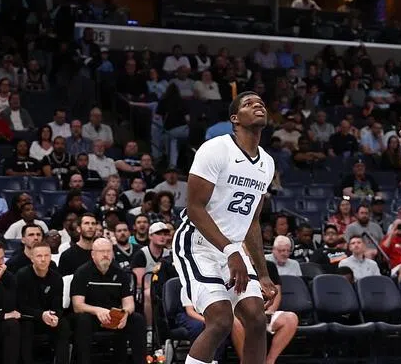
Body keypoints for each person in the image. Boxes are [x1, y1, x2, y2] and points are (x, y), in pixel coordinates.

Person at [171, 92, 277, 364]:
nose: (258, 105)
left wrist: (263, 274)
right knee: (220, 319)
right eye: (248, 103)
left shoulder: (267, 163)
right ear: (235, 119)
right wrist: (231, 251)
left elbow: (252, 220)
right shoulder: (216, 148)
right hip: (197, 244)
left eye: (261, 102)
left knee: (255, 318)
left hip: (232, 249)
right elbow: (194, 208)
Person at [70, 237, 145, 364]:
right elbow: (77, 305)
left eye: (108, 251)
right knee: (83, 320)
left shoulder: (120, 273)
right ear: (93, 254)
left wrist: (125, 313)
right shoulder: (82, 273)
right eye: (101, 251)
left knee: (137, 319)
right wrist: (97, 311)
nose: (105, 255)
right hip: (91, 316)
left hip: (114, 316)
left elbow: (129, 303)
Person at [16, 242, 71, 364]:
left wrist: (55, 316)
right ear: (32, 258)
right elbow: (20, 306)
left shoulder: (56, 278)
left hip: (48, 317)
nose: (43, 259)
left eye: (46, 255)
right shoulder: (22, 275)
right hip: (29, 317)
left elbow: (58, 306)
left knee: (63, 324)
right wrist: (41, 314)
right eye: (39, 256)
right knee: (26, 326)